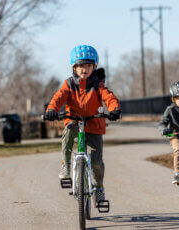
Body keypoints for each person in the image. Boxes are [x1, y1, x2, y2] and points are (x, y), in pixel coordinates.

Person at [45, 45, 121, 202]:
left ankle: (99, 187)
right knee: (67, 135)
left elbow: (109, 97)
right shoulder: (69, 84)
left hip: (94, 124)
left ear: (94, 67)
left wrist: (114, 109)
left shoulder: (97, 84)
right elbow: (58, 97)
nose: (84, 69)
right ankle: (66, 164)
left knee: (97, 163)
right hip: (74, 120)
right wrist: (51, 109)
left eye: (88, 65)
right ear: (74, 67)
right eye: (80, 65)